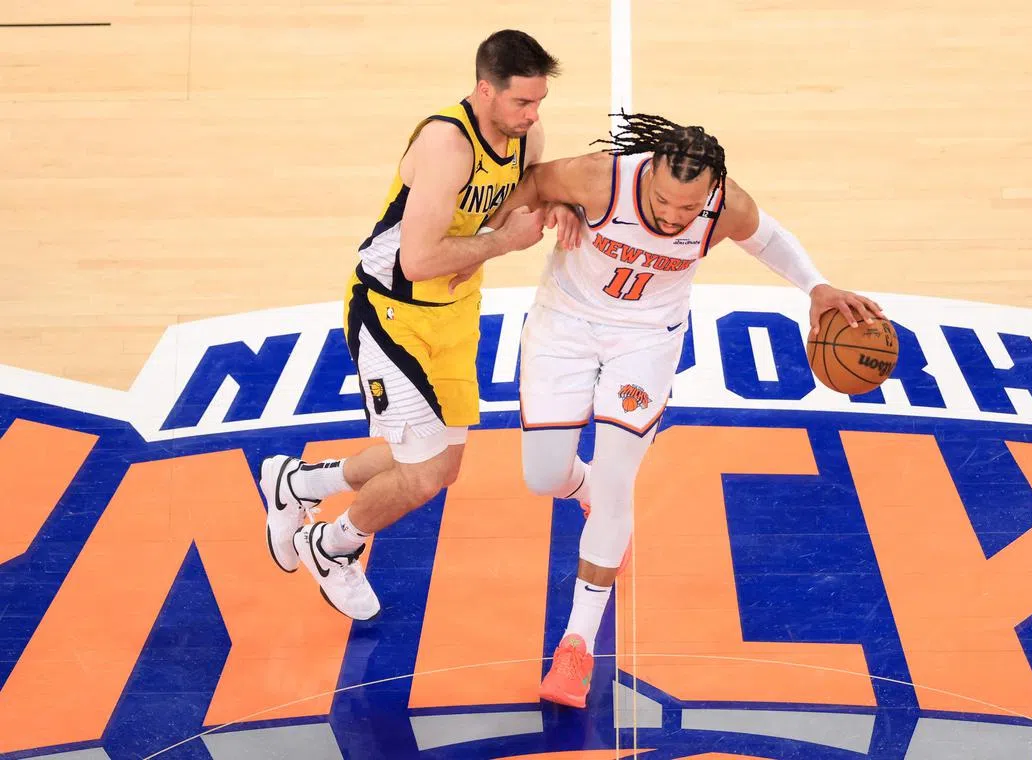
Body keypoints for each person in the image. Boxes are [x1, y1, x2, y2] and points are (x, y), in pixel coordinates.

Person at [482, 112, 885, 707]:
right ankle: (588, 492)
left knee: (618, 483)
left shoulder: (727, 206)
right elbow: (532, 182)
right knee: (543, 475)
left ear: (711, 191)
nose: (674, 217)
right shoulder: (600, 178)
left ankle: (575, 646)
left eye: (688, 208)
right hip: (564, 323)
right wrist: (548, 210)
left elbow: (768, 237)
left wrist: (816, 287)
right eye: (665, 202)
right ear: (648, 177)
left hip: (646, 339)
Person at [257, 30, 561, 620]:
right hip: (391, 314)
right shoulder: (447, 144)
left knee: (440, 466)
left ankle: (296, 484)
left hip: (454, 312)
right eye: (522, 102)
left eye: (539, 102)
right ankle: (332, 545)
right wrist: (506, 241)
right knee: (421, 474)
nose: (532, 115)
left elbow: (519, 198)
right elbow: (417, 261)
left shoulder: (527, 137)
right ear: (484, 90)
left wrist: (557, 206)